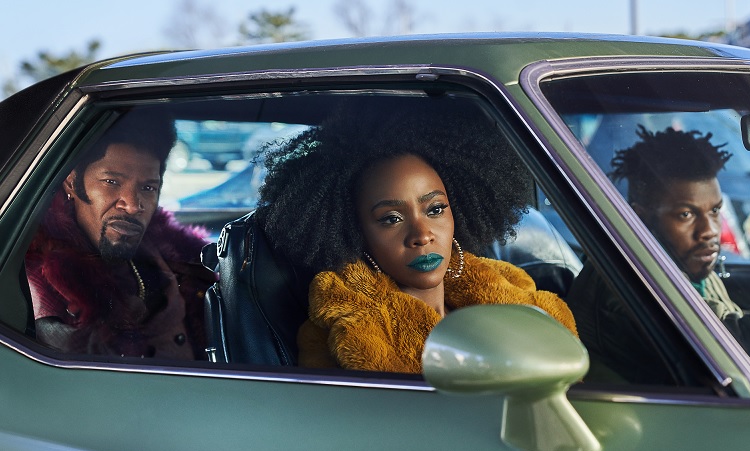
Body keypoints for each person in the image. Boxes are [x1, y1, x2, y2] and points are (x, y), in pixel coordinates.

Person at [256, 105, 578, 373]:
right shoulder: (337, 333)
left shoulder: (511, 288)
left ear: (459, 210)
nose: (422, 235)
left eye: (435, 209)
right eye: (391, 219)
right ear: (355, 231)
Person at [571, 126, 750, 379]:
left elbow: (727, 319)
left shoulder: (678, 263)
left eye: (715, 210)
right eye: (686, 214)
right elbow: (735, 343)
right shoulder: (626, 285)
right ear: (640, 218)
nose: (709, 230)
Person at [25, 109, 216, 359]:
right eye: (112, 182)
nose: (133, 205)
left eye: (148, 187)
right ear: (72, 182)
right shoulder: (42, 273)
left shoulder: (171, 251)